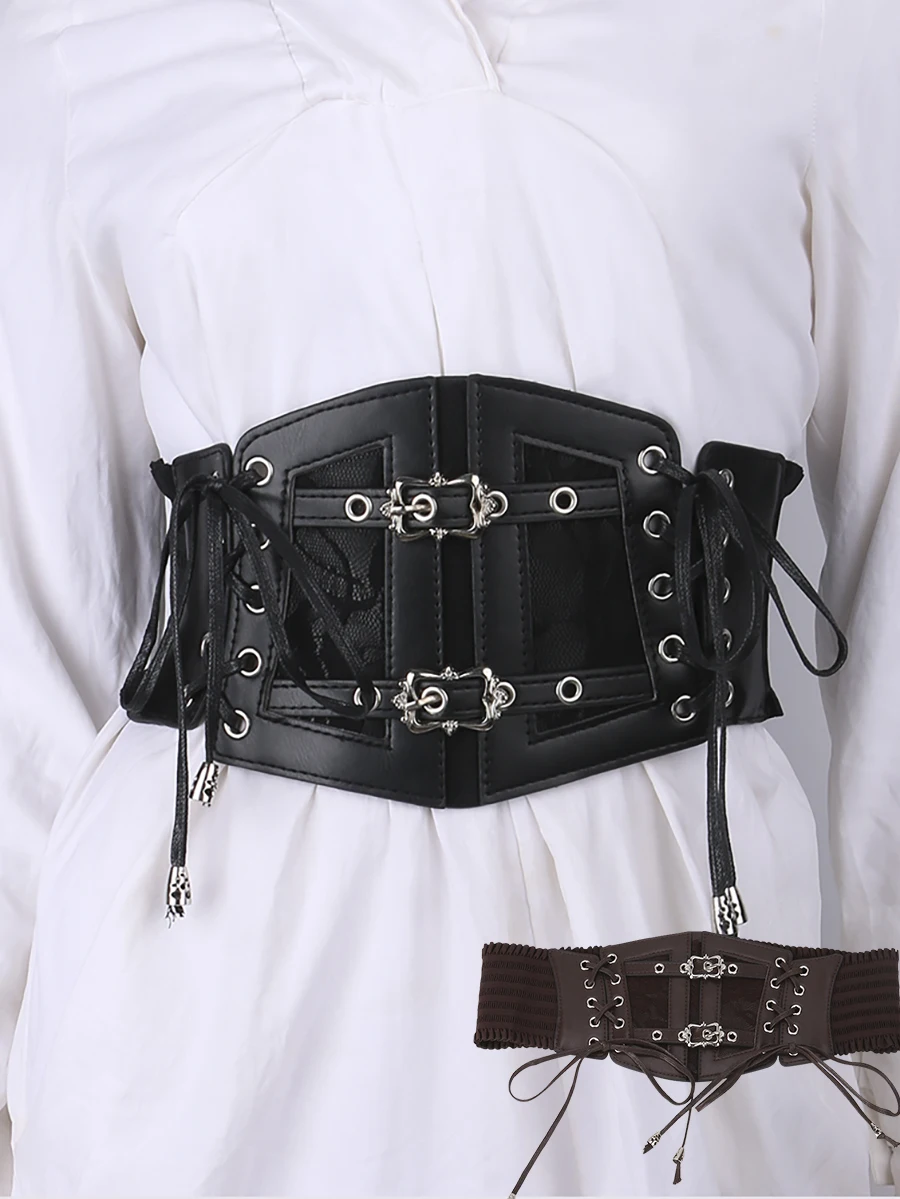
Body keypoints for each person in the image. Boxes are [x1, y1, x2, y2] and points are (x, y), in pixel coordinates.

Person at [1, 2, 898, 1194]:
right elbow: (37, 642)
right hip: (212, 998)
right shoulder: (81, 39)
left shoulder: (829, 26)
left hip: (675, 965)